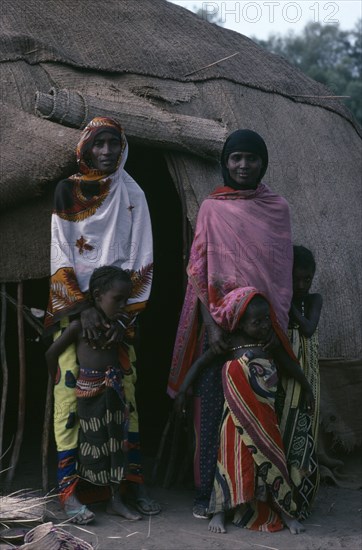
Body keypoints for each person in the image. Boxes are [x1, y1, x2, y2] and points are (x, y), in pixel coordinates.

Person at [167, 129, 298, 519]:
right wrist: (211, 326)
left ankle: (258, 496)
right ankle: (207, 493)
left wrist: (274, 324)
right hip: (222, 329)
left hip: (261, 328)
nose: (243, 165)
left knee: (261, 413)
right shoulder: (212, 207)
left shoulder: (278, 208)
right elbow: (200, 270)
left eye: (251, 158)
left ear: (263, 162)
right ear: (225, 162)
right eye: (236, 158)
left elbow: (281, 274)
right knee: (211, 414)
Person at [44, 116, 160, 524]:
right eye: (99, 144)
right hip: (77, 313)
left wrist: (119, 315)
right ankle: (69, 491)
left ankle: (130, 482)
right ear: (86, 149)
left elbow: (140, 255)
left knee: (124, 400)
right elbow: (61, 253)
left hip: (118, 316)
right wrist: (83, 308)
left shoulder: (132, 193)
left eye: (114, 143)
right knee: (69, 402)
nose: (107, 151)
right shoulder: (67, 192)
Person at [175, 288, 313, 534]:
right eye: (256, 322)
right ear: (239, 323)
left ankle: (285, 512)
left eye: (266, 320)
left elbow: (290, 366)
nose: (263, 326)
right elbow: (200, 364)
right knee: (229, 463)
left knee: (272, 461)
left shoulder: (270, 344)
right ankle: (219, 512)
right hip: (234, 422)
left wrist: (307, 388)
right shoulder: (229, 344)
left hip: (265, 419)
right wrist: (183, 389)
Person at [46, 266, 142, 521]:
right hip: (87, 395)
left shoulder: (118, 327)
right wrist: (56, 378)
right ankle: (72, 496)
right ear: (98, 295)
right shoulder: (78, 327)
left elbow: (133, 345)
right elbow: (51, 353)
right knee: (89, 443)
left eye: (126, 300)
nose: (123, 305)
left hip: (114, 391)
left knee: (115, 446)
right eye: (117, 299)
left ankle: (115, 499)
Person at [276, 245, 323, 518]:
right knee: (285, 428)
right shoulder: (280, 307)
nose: (302, 284)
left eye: (307, 279)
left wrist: (287, 299)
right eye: (296, 279)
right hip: (287, 376)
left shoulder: (313, 300)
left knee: (306, 433)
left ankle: (301, 501)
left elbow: (307, 328)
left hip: (309, 378)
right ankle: (283, 498)